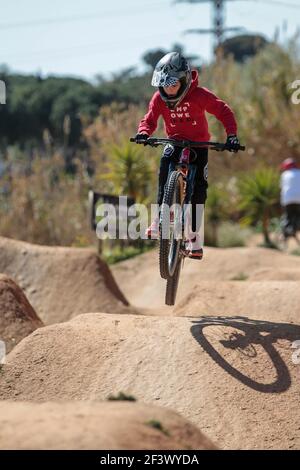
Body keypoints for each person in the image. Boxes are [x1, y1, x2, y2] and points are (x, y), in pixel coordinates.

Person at [135, 51, 240, 259]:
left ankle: (194, 237)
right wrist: (144, 132)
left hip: (199, 145)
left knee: (200, 187)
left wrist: (232, 136)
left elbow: (223, 111)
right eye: (165, 85)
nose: (169, 90)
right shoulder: (159, 98)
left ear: (184, 80)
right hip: (174, 142)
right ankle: (159, 219)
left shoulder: (199, 95)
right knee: (165, 166)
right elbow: (150, 119)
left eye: (173, 84)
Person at [279, 158, 300, 241]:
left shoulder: (284, 175)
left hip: (287, 200)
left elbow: (281, 187)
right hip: (299, 199)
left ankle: (286, 234)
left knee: (288, 216)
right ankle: (296, 226)